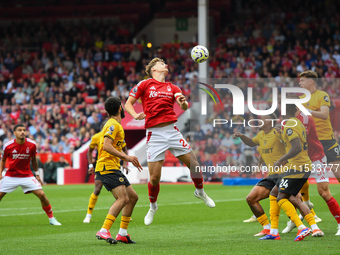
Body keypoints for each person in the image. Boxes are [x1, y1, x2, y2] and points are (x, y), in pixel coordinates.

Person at [125, 58, 215, 226]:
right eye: (161, 63)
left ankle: (200, 192)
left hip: (172, 131)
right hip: (155, 134)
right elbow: (128, 104)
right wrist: (135, 115)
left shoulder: (173, 87)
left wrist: (183, 103)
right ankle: (153, 207)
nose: (165, 64)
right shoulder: (144, 84)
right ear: (153, 69)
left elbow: (184, 106)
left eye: (165, 63)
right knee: (154, 178)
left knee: (194, 165)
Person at [282, 107, 340, 235]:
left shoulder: (306, 119)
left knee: (324, 193)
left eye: (287, 111)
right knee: (290, 194)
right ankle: (297, 219)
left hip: (315, 158)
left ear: (295, 109)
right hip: (299, 161)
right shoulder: (286, 122)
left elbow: (299, 141)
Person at [272, 103, 323, 241]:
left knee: (281, 197)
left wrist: (280, 160)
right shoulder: (298, 123)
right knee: (292, 198)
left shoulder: (289, 125)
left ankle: (302, 227)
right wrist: (281, 137)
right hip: (302, 166)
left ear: (283, 111)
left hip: (297, 167)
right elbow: (292, 143)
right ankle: (315, 228)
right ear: (296, 110)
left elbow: (296, 147)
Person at [95, 97, 143, 245]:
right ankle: (104, 230)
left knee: (133, 197)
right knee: (122, 198)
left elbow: (118, 145)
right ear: (120, 108)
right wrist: (126, 158)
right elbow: (107, 146)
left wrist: (124, 160)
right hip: (107, 167)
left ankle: (122, 234)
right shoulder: (113, 125)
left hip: (113, 167)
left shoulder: (115, 125)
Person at [0, 124, 61, 225]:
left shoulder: (32, 144)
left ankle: (51, 219)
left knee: (41, 194)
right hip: (11, 176)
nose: (22, 132)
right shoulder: (8, 145)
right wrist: (0, 174)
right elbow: (3, 160)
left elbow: (34, 160)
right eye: (19, 130)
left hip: (26, 175)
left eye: (24, 130)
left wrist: (37, 174)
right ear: (14, 133)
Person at [83, 120, 129, 223]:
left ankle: (124, 215)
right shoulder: (96, 137)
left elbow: (124, 148)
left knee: (123, 194)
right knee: (97, 188)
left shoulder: (116, 133)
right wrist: (90, 165)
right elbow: (89, 151)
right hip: (102, 166)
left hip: (114, 165)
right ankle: (88, 215)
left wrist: (125, 163)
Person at [299, 71, 340, 181]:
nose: (300, 83)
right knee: (302, 173)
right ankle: (304, 199)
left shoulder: (322, 95)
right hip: (310, 141)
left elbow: (324, 114)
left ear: (311, 81)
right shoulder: (301, 99)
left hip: (326, 140)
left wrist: (309, 111)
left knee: (338, 172)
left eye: (302, 80)